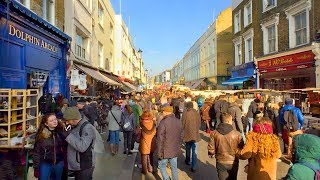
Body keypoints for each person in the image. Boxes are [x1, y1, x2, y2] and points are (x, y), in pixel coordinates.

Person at [60, 107, 96, 180]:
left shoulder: (87, 128)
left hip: (84, 165)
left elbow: (82, 147)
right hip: (78, 165)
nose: (66, 123)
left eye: (68, 120)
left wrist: (68, 135)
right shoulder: (75, 126)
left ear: (74, 119)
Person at [208, 113, 243, 180]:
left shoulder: (214, 133)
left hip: (220, 161)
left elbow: (211, 148)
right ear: (229, 121)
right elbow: (241, 147)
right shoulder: (237, 134)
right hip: (233, 161)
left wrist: (211, 153)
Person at [33, 113, 65, 180]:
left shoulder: (61, 132)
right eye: (51, 120)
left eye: (55, 119)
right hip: (45, 163)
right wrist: (36, 168)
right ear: (46, 124)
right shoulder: (42, 136)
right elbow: (36, 152)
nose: (54, 121)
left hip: (59, 162)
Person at [157, 105, 183, 180]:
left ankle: (166, 179)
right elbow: (181, 135)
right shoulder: (178, 121)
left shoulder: (163, 122)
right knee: (174, 168)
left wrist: (159, 152)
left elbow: (160, 139)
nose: (162, 113)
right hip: (175, 149)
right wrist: (179, 146)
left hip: (165, 150)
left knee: (162, 167)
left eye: (163, 112)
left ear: (166, 112)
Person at [182, 102, 201, 172]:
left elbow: (182, 124)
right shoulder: (196, 113)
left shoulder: (185, 113)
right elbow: (199, 124)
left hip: (187, 133)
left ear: (187, 107)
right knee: (194, 151)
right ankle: (194, 167)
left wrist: (183, 131)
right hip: (195, 134)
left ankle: (187, 160)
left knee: (188, 148)